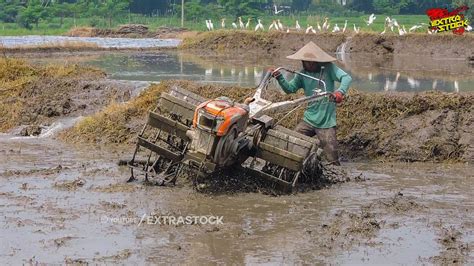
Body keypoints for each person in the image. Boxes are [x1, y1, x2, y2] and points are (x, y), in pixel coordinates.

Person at [270, 41, 352, 165]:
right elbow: (290, 89)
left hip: (326, 122)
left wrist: (340, 92)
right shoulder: (302, 73)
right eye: (305, 61)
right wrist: (280, 77)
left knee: (332, 159)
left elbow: (346, 78)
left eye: (311, 62)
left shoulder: (328, 68)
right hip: (309, 119)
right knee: (292, 142)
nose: (308, 64)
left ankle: (336, 175)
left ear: (318, 61)